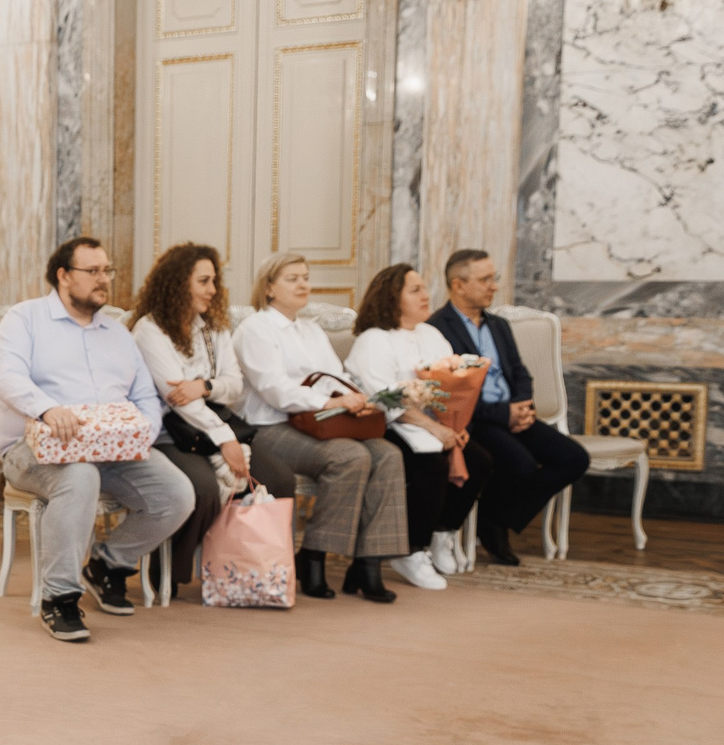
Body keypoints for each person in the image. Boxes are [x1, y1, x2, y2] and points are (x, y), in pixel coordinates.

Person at [0, 236, 194, 642]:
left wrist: (140, 435)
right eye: (93, 271)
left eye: (108, 271)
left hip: (112, 449)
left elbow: (144, 397)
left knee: (177, 493)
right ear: (64, 276)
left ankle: (107, 564)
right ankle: (59, 597)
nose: (105, 279)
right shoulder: (25, 319)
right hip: (34, 449)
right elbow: (5, 375)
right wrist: (47, 408)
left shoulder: (117, 333)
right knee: (79, 476)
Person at [231, 252, 411, 603]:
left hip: (320, 424)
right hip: (270, 426)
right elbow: (274, 389)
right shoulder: (254, 329)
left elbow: (336, 377)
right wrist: (327, 403)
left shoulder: (310, 329)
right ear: (269, 288)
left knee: (388, 454)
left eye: (306, 277)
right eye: (292, 278)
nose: (303, 284)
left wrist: (355, 399)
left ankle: (368, 563)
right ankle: (314, 554)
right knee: (349, 456)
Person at [427, 250, 590, 566]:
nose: (493, 286)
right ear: (458, 285)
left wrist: (523, 406)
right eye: (485, 279)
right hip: (478, 420)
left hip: (514, 414)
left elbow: (519, 372)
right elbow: (450, 395)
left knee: (574, 458)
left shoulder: (499, 325)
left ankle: (494, 519)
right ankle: (493, 527)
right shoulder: (438, 329)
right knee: (522, 464)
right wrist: (504, 414)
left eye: (494, 278)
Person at [127, 243, 265, 594]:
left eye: (214, 281)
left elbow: (234, 386)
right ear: (177, 283)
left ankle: (238, 569)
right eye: (204, 281)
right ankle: (168, 571)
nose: (213, 290)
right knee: (202, 489)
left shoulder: (212, 328)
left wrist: (204, 386)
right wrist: (225, 439)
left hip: (212, 426)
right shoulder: (149, 330)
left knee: (277, 476)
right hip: (169, 432)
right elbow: (177, 401)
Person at [347, 263, 478, 590]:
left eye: (424, 288)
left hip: (432, 422)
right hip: (382, 423)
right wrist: (434, 429)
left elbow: (452, 386)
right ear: (393, 297)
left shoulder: (431, 334)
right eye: (415, 290)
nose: (426, 295)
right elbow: (383, 398)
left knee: (479, 459)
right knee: (430, 464)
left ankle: (439, 533)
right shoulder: (373, 340)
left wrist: (455, 425)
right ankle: (409, 550)